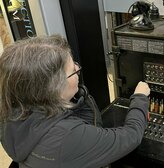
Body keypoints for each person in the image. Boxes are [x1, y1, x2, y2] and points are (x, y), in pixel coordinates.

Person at [0, 35, 150, 168]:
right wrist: (139, 98)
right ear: (53, 87)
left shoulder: (11, 111)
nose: (78, 68)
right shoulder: (67, 137)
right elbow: (130, 136)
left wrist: (75, 93)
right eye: (73, 69)